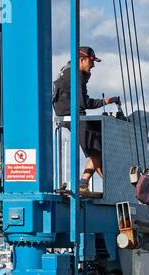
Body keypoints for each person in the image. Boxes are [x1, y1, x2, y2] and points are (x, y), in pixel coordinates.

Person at [51, 46, 121, 191]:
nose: (93, 65)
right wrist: (105, 102)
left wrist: (106, 101)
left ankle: (84, 182)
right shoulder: (76, 75)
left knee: (97, 146)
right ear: (81, 60)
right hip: (74, 117)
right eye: (91, 61)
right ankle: (116, 187)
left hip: (68, 115)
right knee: (97, 150)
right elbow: (85, 103)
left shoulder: (67, 71)